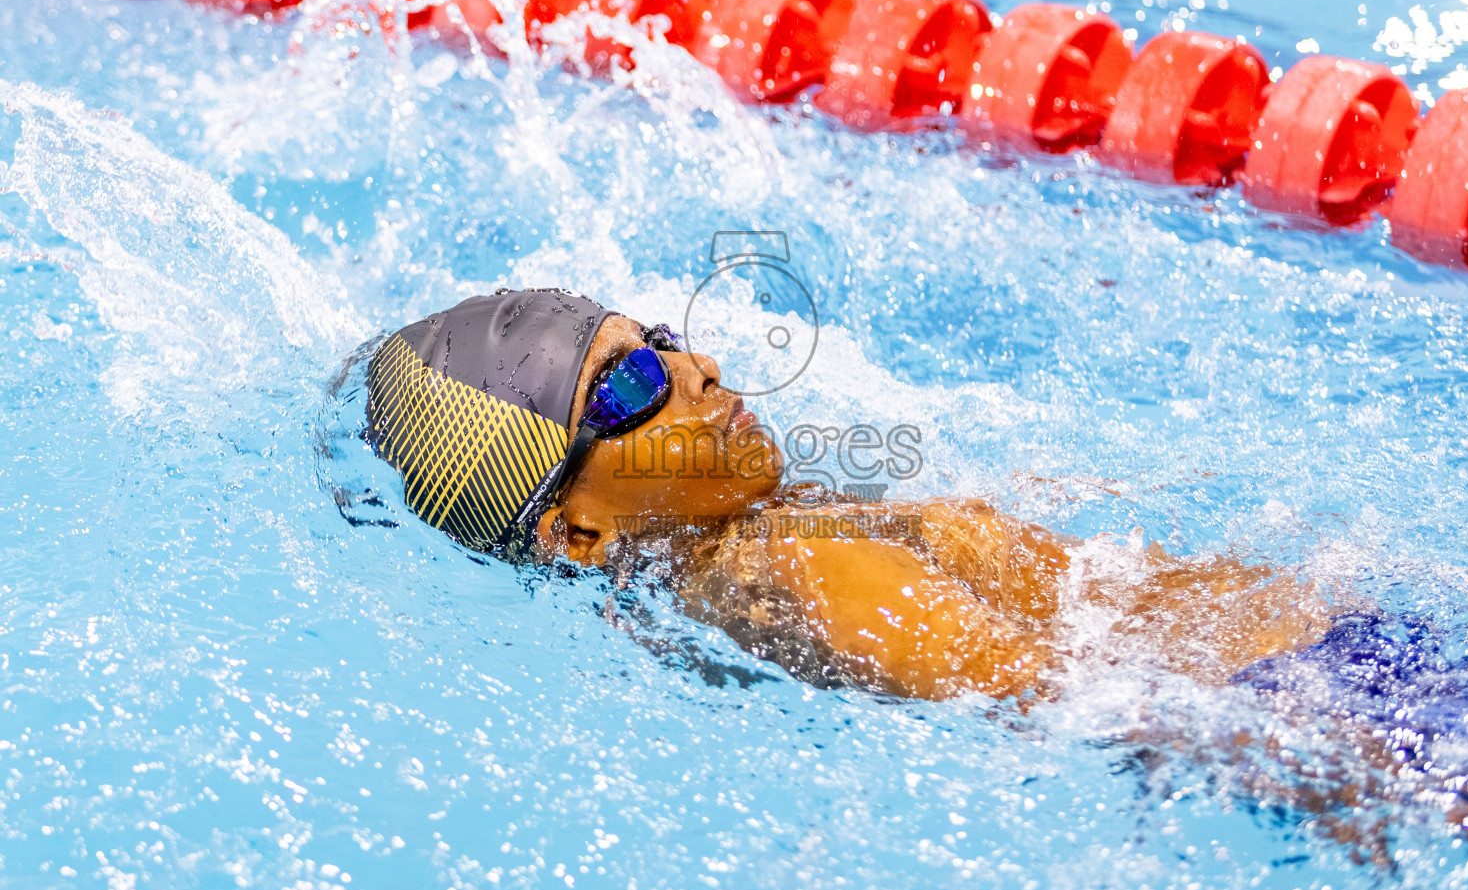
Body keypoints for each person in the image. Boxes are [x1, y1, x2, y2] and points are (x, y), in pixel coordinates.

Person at [364, 287, 1335, 704]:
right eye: (629, 386)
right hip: (1347, 704)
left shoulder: (753, 534)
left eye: (660, 338)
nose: (695, 365)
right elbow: (1098, 703)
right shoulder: (792, 571)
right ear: (576, 532)